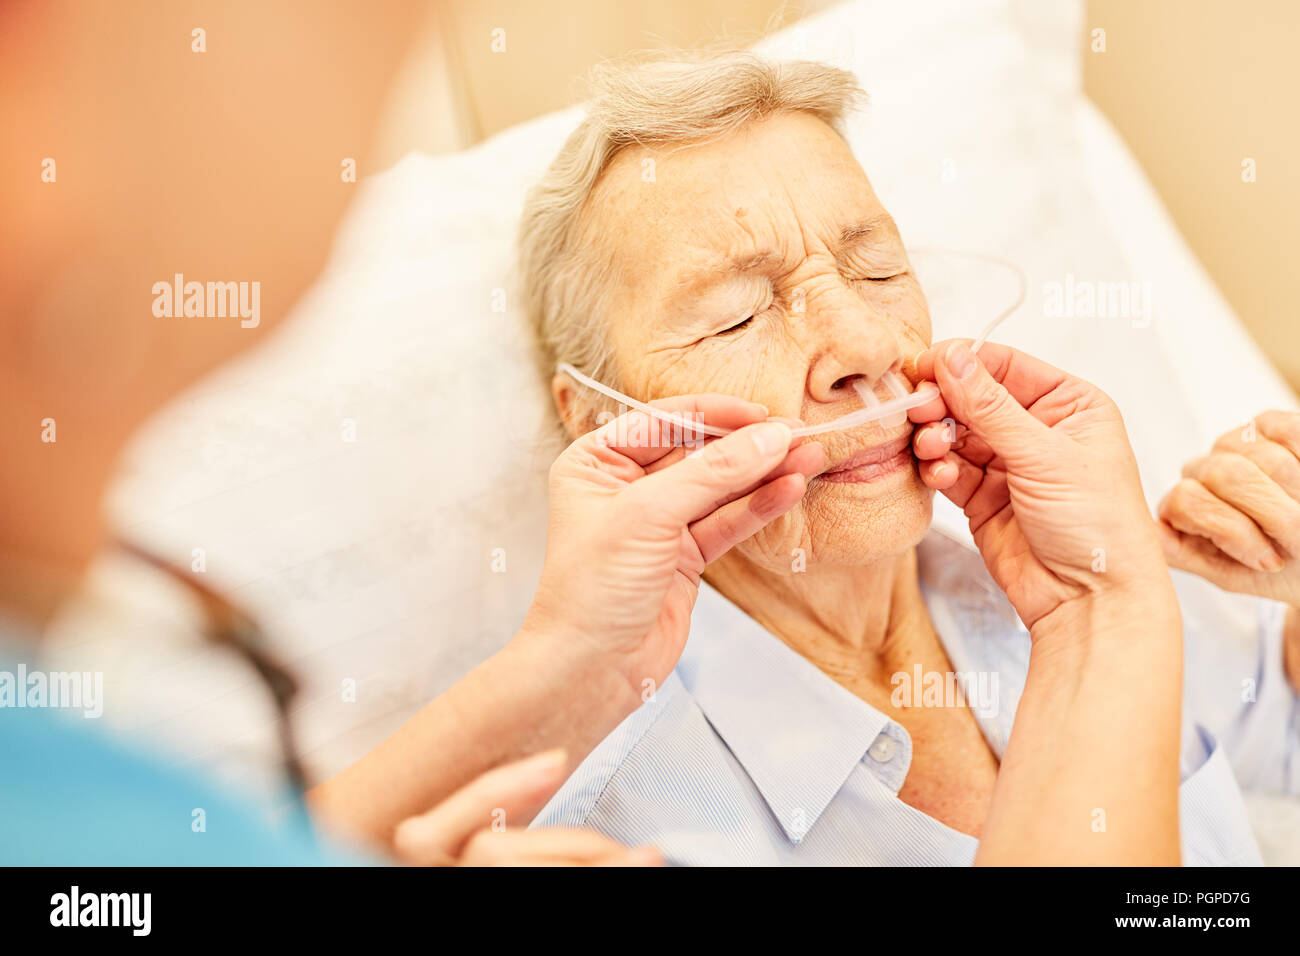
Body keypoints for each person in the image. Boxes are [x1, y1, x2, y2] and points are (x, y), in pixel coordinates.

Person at [520, 52, 1298, 865]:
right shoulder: (617, 830)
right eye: (735, 317)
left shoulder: (1066, 558)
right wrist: (1107, 612)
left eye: (877, 268)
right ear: (600, 423)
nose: (868, 343)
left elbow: (1283, 722)